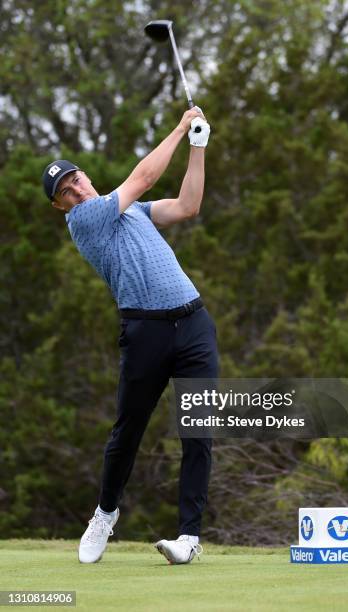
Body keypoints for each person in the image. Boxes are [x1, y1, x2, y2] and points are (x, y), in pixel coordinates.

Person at [41, 108, 218, 565]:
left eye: (76, 179)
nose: (76, 188)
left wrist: (198, 147)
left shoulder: (133, 213)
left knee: (199, 431)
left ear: (85, 175)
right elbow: (142, 177)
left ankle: (189, 537)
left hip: (194, 323)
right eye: (66, 191)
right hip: (146, 332)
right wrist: (180, 129)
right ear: (61, 205)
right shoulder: (85, 221)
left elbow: (187, 206)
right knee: (129, 430)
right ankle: (104, 514)